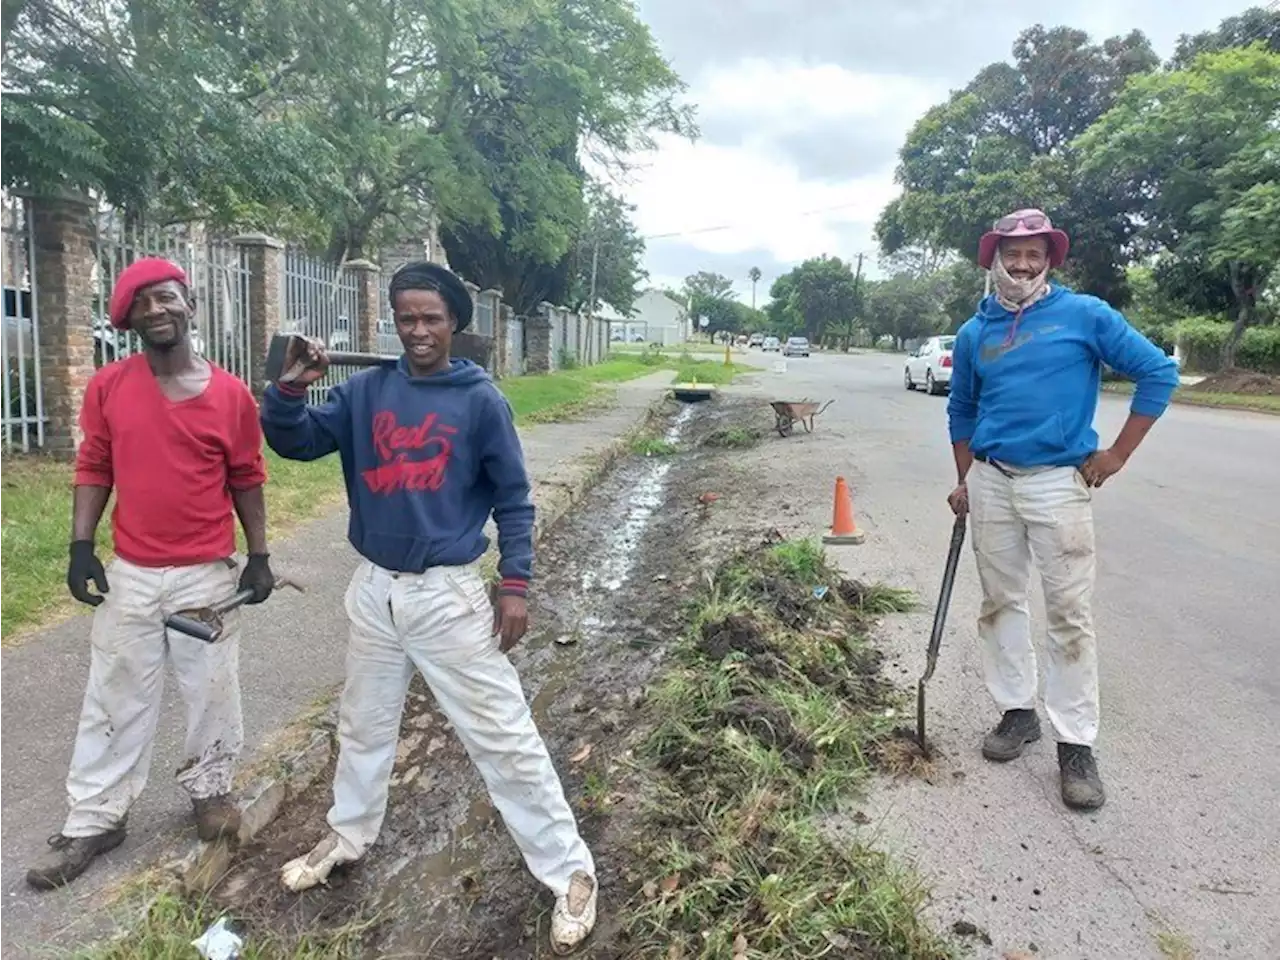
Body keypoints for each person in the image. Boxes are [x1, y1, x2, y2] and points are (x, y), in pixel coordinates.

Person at [259, 261, 598, 955]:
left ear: (453, 325)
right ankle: (348, 835)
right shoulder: (364, 392)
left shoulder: (479, 401)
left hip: (446, 596)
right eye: (406, 318)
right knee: (363, 726)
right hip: (376, 590)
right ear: (393, 321)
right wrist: (290, 389)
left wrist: (515, 585)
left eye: (431, 318)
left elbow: (514, 499)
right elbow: (294, 442)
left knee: (502, 736)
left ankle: (570, 872)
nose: (417, 330)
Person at [27, 258, 275, 890]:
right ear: (130, 320)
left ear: (188, 304)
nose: (157, 311)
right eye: (143, 305)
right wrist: (81, 547)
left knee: (212, 691)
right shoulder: (109, 386)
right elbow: (94, 464)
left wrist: (260, 554)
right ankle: (96, 817)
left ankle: (211, 794)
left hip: (207, 576)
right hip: (132, 572)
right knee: (113, 695)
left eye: (166, 299)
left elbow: (246, 477)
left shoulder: (230, 395)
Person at [945, 209, 1179, 811]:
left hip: (1058, 483)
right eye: (1011, 253)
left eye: (1034, 253)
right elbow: (963, 413)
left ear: (1050, 258)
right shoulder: (975, 333)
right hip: (993, 480)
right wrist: (965, 478)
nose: (1022, 264)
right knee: (1000, 602)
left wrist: (1118, 455)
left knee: (1070, 613)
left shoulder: (1085, 315)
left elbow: (1158, 372)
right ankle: (1018, 713)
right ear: (993, 258)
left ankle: (1076, 744)